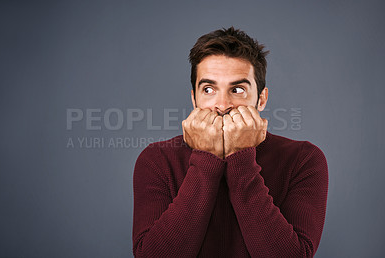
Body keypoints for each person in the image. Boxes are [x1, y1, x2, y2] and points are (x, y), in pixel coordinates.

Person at [132, 27, 328, 257]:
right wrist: (206, 159)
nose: (223, 104)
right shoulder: (157, 160)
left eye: (237, 89)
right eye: (208, 89)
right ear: (194, 98)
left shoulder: (303, 159)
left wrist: (240, 156)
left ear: (261, 98)